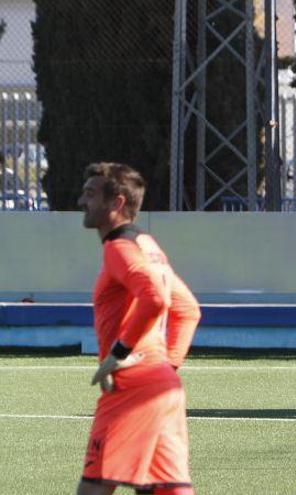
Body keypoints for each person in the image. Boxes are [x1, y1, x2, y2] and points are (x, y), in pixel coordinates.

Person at [76, 162, 201, 495]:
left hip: (130, 391)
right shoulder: (149, 247)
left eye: (90, 194)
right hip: (162, 387)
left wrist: (120, 353)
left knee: (92, 491)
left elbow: (155, 298)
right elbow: (188, 310)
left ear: (116, 203)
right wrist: (164, 368)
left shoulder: (119, 248)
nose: (80, 201)